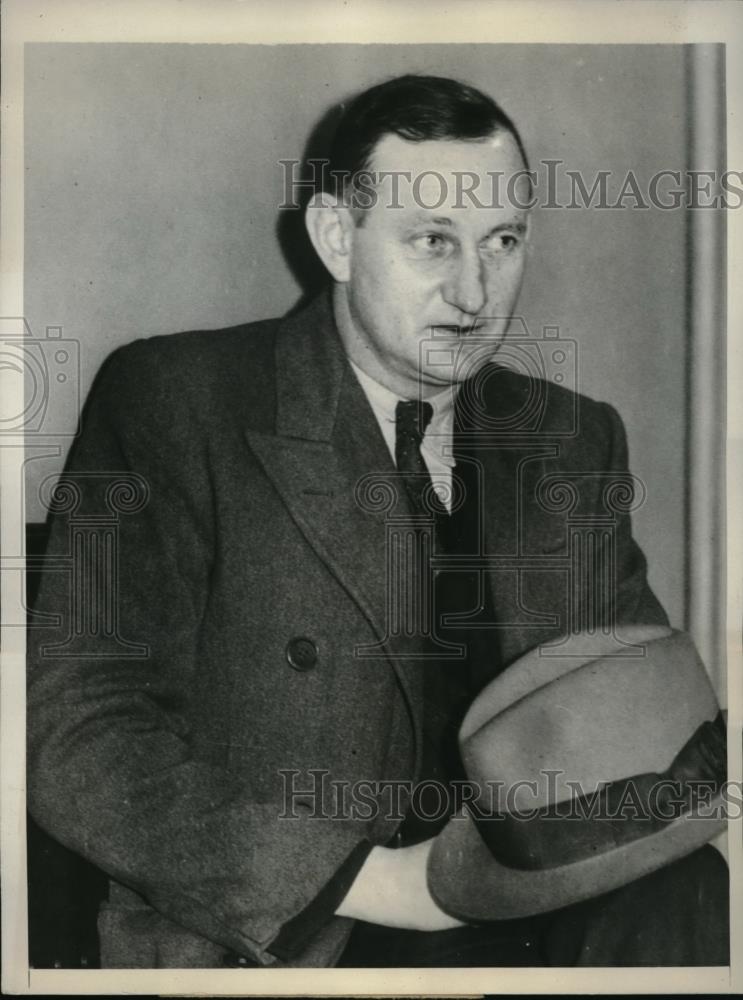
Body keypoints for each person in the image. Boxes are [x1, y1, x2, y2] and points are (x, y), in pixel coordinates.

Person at [26, 74, 728, 969]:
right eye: (433, 241)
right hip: (301, 925)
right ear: (336, 238)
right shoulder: (177, 402)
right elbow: (75, 738)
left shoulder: (569, 438)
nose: (475, 294)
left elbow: (633, 712)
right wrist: (379, 881)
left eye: (502, 242)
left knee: (692, 889)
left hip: (540, 905)